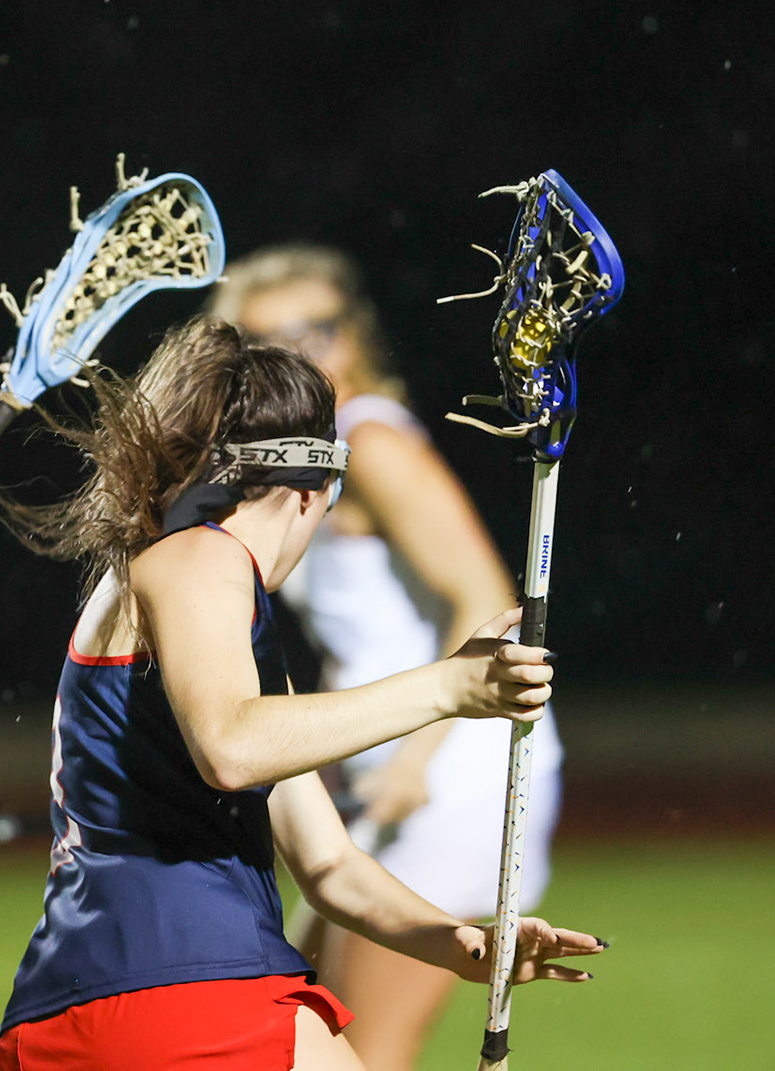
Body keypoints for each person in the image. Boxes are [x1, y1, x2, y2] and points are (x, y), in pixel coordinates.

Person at [0, 316, 603, 1070]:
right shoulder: (203, 559)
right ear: (315, 491)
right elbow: (233, 749)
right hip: (191, 998)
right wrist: (449, 685)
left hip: (74, 1011)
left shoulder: (162, 589)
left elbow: (328, 866)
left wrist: (461, 944)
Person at [211, 245, 563, 1070]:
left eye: (316, 331)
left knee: (364, 1050)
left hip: (447, 771)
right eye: (270, 340)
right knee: (310, 1037)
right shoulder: (303, 454)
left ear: (353, 335)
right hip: (385, 756)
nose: (300, 353)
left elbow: (485, 600)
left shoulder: (368, 441)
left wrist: (415, 759)